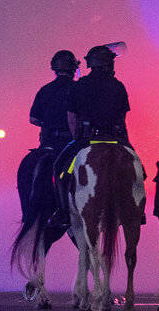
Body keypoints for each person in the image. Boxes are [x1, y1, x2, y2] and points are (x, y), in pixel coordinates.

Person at [51, 45, 133, 228]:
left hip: (86, 140)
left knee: (59, 170)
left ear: (91, 64)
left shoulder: (79, 86)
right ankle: (134, 211)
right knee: (138, 171)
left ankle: (62, 213)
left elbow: (72, 117)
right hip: (115, 139)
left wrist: (77, 139)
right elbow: (122, 117)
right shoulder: (118, 86)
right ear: (109, 64)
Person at [22, 50, 78, 219]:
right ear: (73, 68)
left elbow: (33, 119)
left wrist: (47, 123)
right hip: (70, 142)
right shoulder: (78, 88)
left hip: (48, 142)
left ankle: (28, 213)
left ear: (54, 67)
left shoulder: (45, 90)